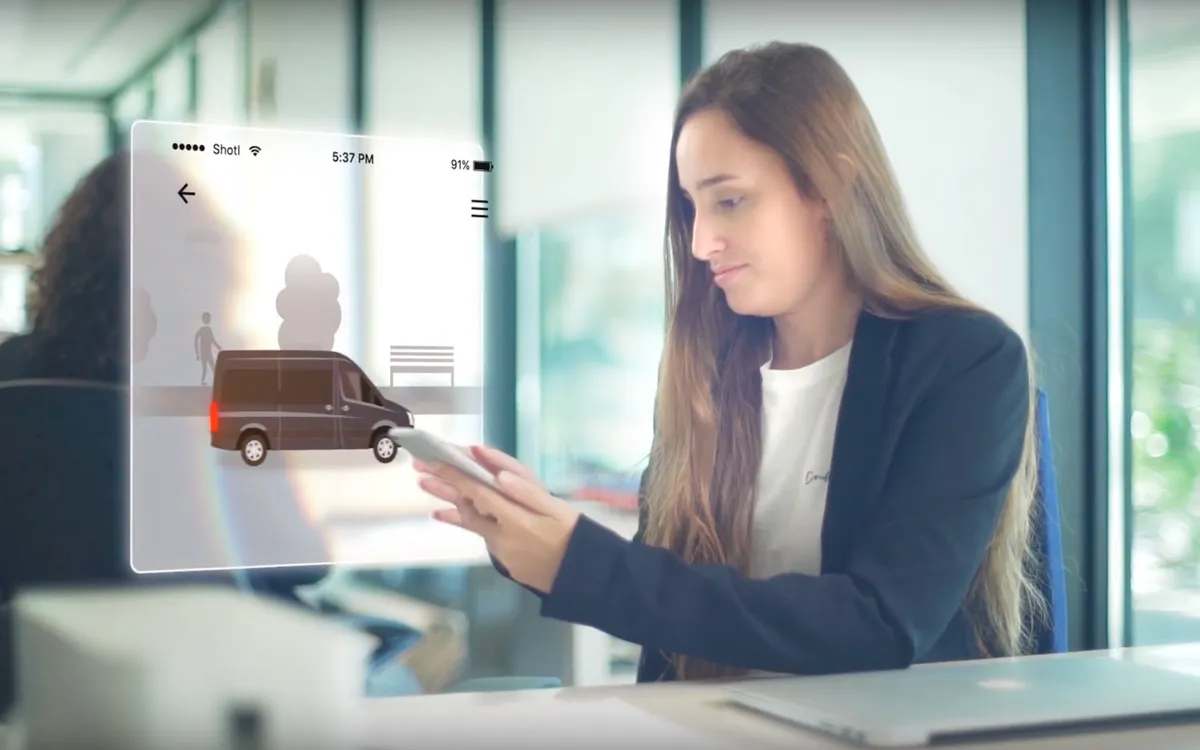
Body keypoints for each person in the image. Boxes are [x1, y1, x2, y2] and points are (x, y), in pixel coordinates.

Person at [414, 41, 1046, 682]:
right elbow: (671, 596)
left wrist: (581, 565)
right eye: (691, 206)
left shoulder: (967, 362)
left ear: (831, 186)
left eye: (730, 201)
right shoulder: (710, 365)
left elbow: (880, 624)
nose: (699, 242)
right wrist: (531, 531)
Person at [194, 311, 222, 385]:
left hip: (208, 352)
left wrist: (218, 347)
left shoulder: (209, 329)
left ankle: (216, 381)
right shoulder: (201, 330)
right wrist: (197, 353)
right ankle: (203, 381)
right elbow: (196, 338)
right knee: (205, 368)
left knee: (213, 367)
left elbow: (212, 340)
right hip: (204, 353)